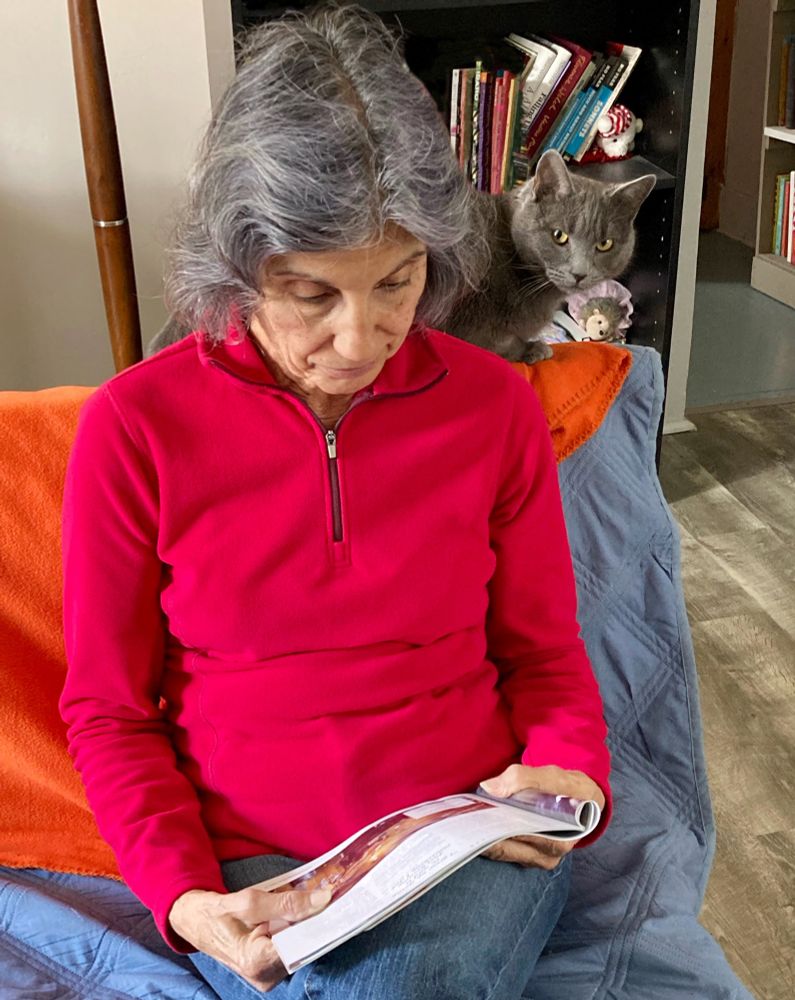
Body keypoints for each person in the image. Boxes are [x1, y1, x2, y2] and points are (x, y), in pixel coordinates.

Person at [59, 4, 611, 997]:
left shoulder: (494, 408)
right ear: (236, 265)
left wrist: (568, 769)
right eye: (312, 294)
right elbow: (108, 710)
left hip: (464, 832)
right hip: (246, 857)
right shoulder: (134, 428)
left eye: (397, 283)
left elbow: (543, 655)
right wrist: (183, 897)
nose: (361, 341)